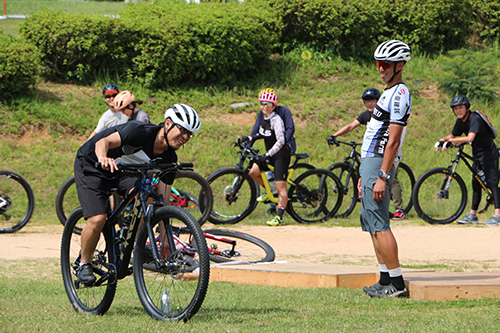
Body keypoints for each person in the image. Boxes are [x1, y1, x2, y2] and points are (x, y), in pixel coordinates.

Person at [74, 104, 201, 285]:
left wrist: (165, 239)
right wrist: (103, 157)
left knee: (148, 196)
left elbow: (163, 201)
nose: (186, 137)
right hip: (92, 164)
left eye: (190, 134)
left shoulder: (169, 158)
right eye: (183, 130)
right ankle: (84, 264)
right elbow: (103, 142)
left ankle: (129, 241)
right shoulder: (139, 131)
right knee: (98, 219)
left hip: (121, 170)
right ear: (167, 124)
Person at [359, 40, 412, 298]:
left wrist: (381, 175)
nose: (381, 69)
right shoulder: (388, 92)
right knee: (370, 222)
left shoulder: (400, 93)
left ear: (399, 66)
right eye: (378, 64)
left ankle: (398, 285)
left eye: (386, 65)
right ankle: (384, 279)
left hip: (379, 161)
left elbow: (392, 140)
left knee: (380, 223)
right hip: (370, 161)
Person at [327, 88, 407, 220]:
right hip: (372, 150)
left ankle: (399, 209)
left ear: (378, 101)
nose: (369, 104)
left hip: (386, 150)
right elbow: (351, 126)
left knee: (391, 179)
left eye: (372, 101)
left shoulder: (386, 114)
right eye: (367, 101)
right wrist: (334, 135)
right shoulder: (365, 115)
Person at [435, 95, 500, 226]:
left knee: (493, 183)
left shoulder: (474, 118)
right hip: (477, 154)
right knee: (476, 183)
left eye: (460, 108)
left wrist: (451, 141)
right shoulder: (460, 121)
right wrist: (442, 140)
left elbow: (470, 138)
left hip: (489, 153)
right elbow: (452, 135)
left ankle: (498, 215)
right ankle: (472, 215)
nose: (458, 111)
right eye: (455, 109)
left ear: (467, 108)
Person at [242, 89, 292, 226]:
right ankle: (267, 190)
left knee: (280, 186)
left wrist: (268, 154)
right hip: (271, 153)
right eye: (262, 103)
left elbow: (281, 140)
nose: (264, 106)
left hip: (281, 155)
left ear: (273, 106)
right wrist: (250, 138)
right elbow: (262, 133)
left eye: (268, 104)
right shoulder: (265, 118)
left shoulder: (276, 120)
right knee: (253, 171)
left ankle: (279, 216)